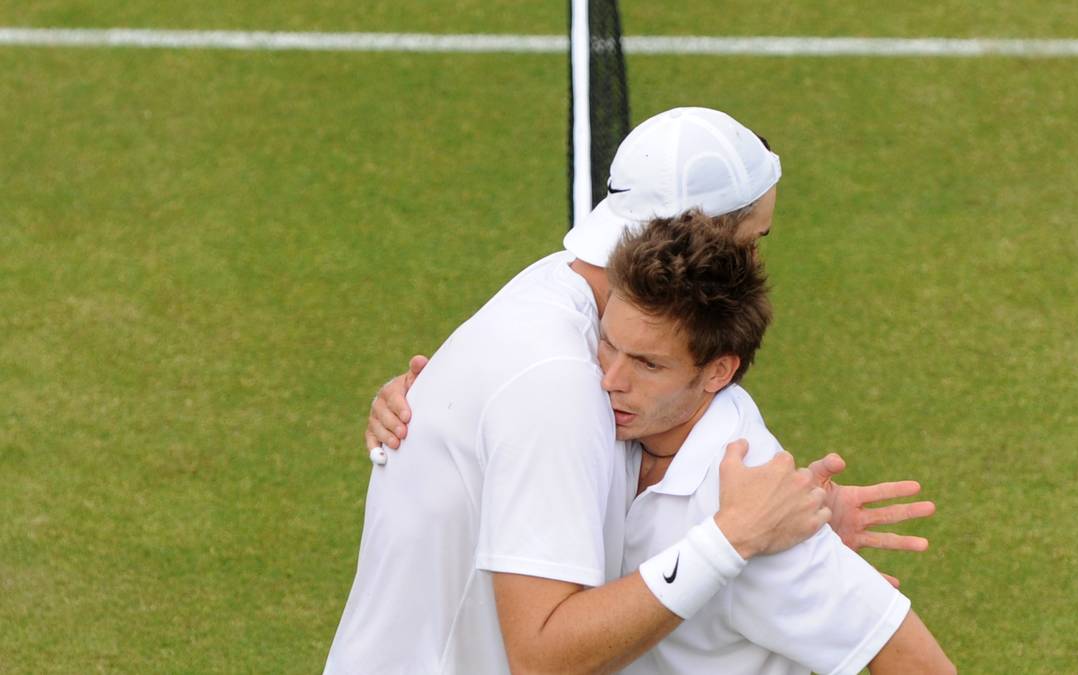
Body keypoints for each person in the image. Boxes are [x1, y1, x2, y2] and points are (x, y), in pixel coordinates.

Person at [325, 108, 834, 674]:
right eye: (753, 243)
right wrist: (735, 535)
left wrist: (793, 513)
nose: (756, 266)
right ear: (701, 240)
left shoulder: (559, 287)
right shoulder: (559, 385)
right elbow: (545, 657)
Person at [602, 212, 954, 673]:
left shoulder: (764, 522)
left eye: (648, 365)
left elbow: (922, 665)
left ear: (718, 372)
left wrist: (810, 549)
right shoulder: (623, 416)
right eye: (608, 343)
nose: (611, 380)